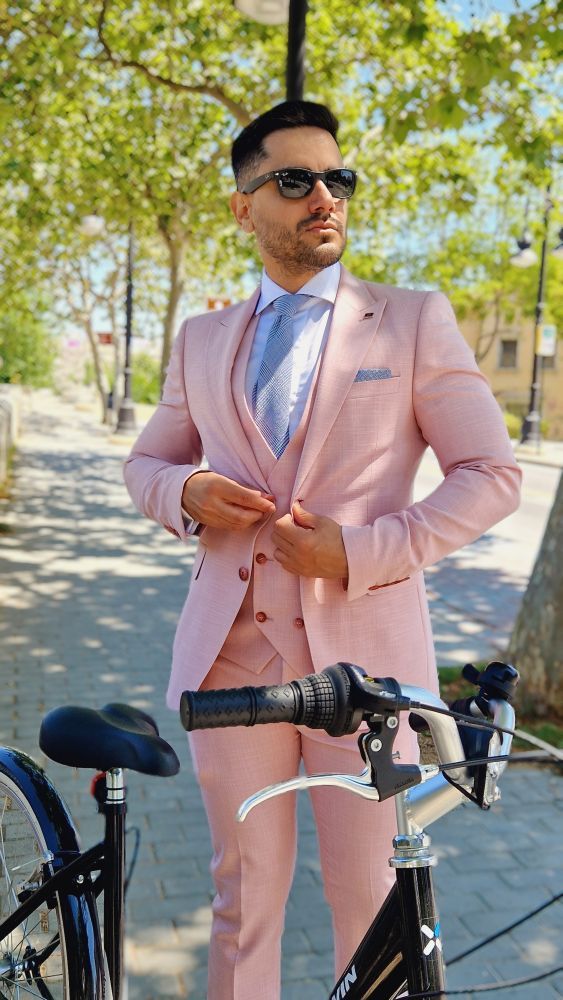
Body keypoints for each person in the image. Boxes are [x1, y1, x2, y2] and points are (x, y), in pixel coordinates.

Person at [124, 100, 521, 1000]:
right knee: (242, 901)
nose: (323, 198)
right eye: (294, 180)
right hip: (231, 667)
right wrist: (183, 494)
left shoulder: (413, 320)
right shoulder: (202, 339)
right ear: (242, 207)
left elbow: (490, 473)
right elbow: (145, 462)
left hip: (370, 678)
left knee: (375, 903)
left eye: (336, 179)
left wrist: (363, 549)